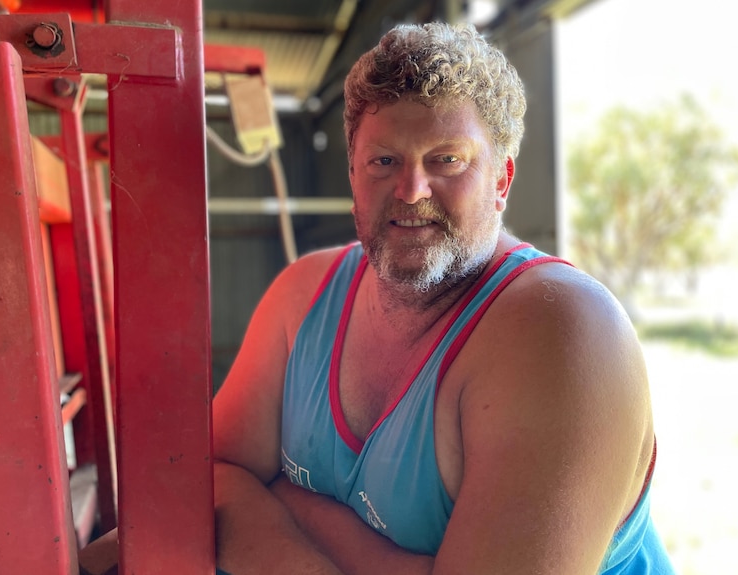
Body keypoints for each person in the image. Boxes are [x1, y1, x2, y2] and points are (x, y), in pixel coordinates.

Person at [213, 21, 675, 575]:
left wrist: (282, 504)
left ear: (502, 180)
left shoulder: (567, 332)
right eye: (384, 161)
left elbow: (229, 501)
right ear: (354, 175)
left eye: (447, 160)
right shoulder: (303, 297)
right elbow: (212, 474)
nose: (411, 190)